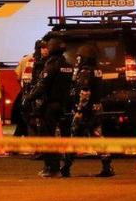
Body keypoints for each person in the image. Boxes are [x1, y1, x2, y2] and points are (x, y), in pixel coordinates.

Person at [25, 37, 74, 177]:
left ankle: (52, 168)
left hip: (50, 106)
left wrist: (29, 98)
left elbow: (42, 85)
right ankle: (64, 167)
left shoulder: (52, 65)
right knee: (64, 137)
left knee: (47, 137)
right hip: (64, 106)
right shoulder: (68, 66)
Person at [67, 44, 106, 177]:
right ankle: (107, 165)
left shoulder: (85, 72)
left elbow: (84, 92)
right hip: (97, 107)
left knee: (74, 137)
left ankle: (65, 167)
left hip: (86, 110)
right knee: (97, 136)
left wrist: (79, 110)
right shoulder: (97, 70)